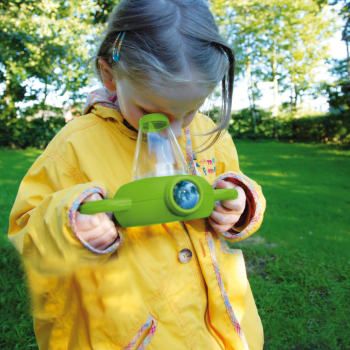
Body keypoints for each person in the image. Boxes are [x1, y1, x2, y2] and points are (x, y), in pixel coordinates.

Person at [8, 0, 266, 349]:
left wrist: (240, 203)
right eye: (149, 110)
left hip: (220, 331)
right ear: (110, 75)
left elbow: (232, 183)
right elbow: (26, 231)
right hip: (131, 334)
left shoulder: (210, 137)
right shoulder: (75, 145)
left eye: (189, 111)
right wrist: (71, 223)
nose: (174, 128)